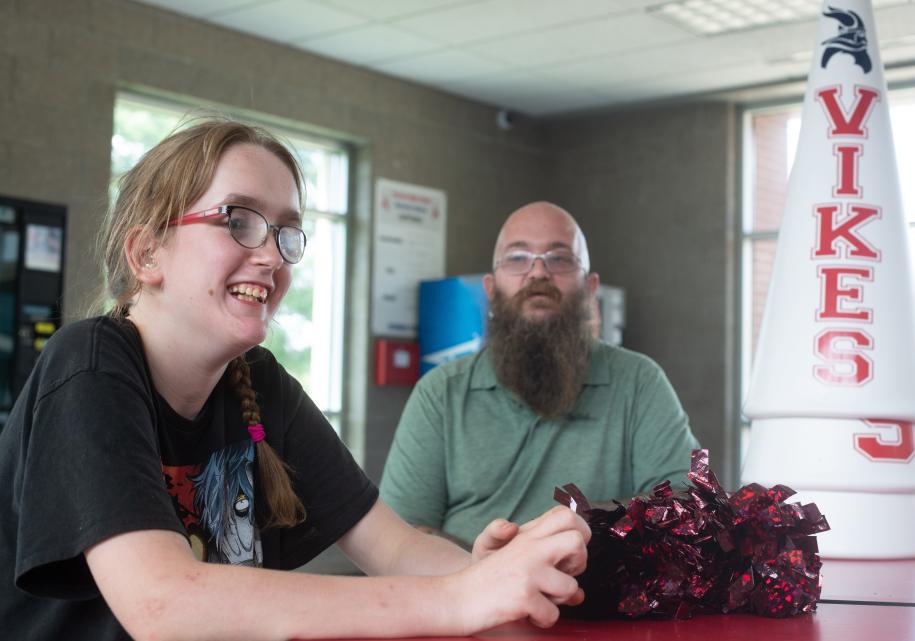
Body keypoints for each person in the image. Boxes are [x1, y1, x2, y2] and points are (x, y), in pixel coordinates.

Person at [0, 121, 590, 641]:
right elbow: (162, 603)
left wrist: (484, 575)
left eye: (285, 232)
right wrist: (460, 597)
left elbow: (395, 547)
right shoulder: (91, 363)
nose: (273, 257)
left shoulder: (259, 384)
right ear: (147, 253)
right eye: (238, 221)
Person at [380, 202, 699, 546]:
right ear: (490, 288)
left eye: (559, 258)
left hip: (598, 595)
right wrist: (490, 572)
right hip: (467, 593)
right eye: (517, 258)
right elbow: (400, 537)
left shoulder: (638, 382)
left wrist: (577, 521)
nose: (538, 273)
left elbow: (687, 504)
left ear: (590, 287)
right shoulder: (440, 393)